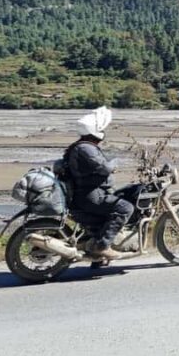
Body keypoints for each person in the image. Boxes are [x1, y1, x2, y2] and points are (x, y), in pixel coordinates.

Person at [65, 107, 133, 260]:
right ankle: (103, 247)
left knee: (120, 196)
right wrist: (115, 162)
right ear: (94, 130)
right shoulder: (85, 148)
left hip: (87, 194)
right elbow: (104, 168)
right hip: (90, 195)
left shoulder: (82, 146)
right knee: (126, 208)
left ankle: (98, 257)